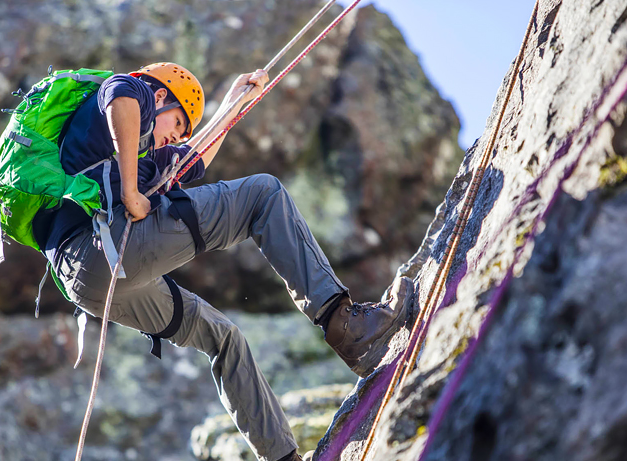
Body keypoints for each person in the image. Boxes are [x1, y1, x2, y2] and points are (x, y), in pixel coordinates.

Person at [31, 62, 414, 461]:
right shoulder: (136, 92)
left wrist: (233, 104)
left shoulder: (142, 158)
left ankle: (281, 456)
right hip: (101, 248)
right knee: (262, 195)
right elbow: (120, 99)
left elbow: (193, 161)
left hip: (85, 278)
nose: (172, 139)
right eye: (176, 124)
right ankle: (348, 327)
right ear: (160, 96)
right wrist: (130, 191)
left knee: (224, 337)